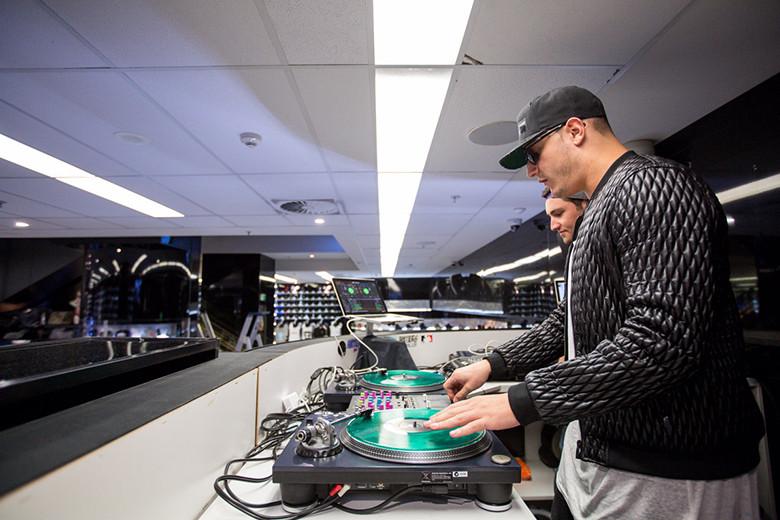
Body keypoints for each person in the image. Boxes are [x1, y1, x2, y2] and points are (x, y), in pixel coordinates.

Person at [425, 86, 764, 519]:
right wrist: (493, 365)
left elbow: (660, 342)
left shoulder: (654, 186)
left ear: (575, 130)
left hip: (668, 472)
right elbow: (569, 319)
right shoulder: (601, 209)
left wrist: (522, 402)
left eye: (534, 153)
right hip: (598, 452)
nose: (531, 171)